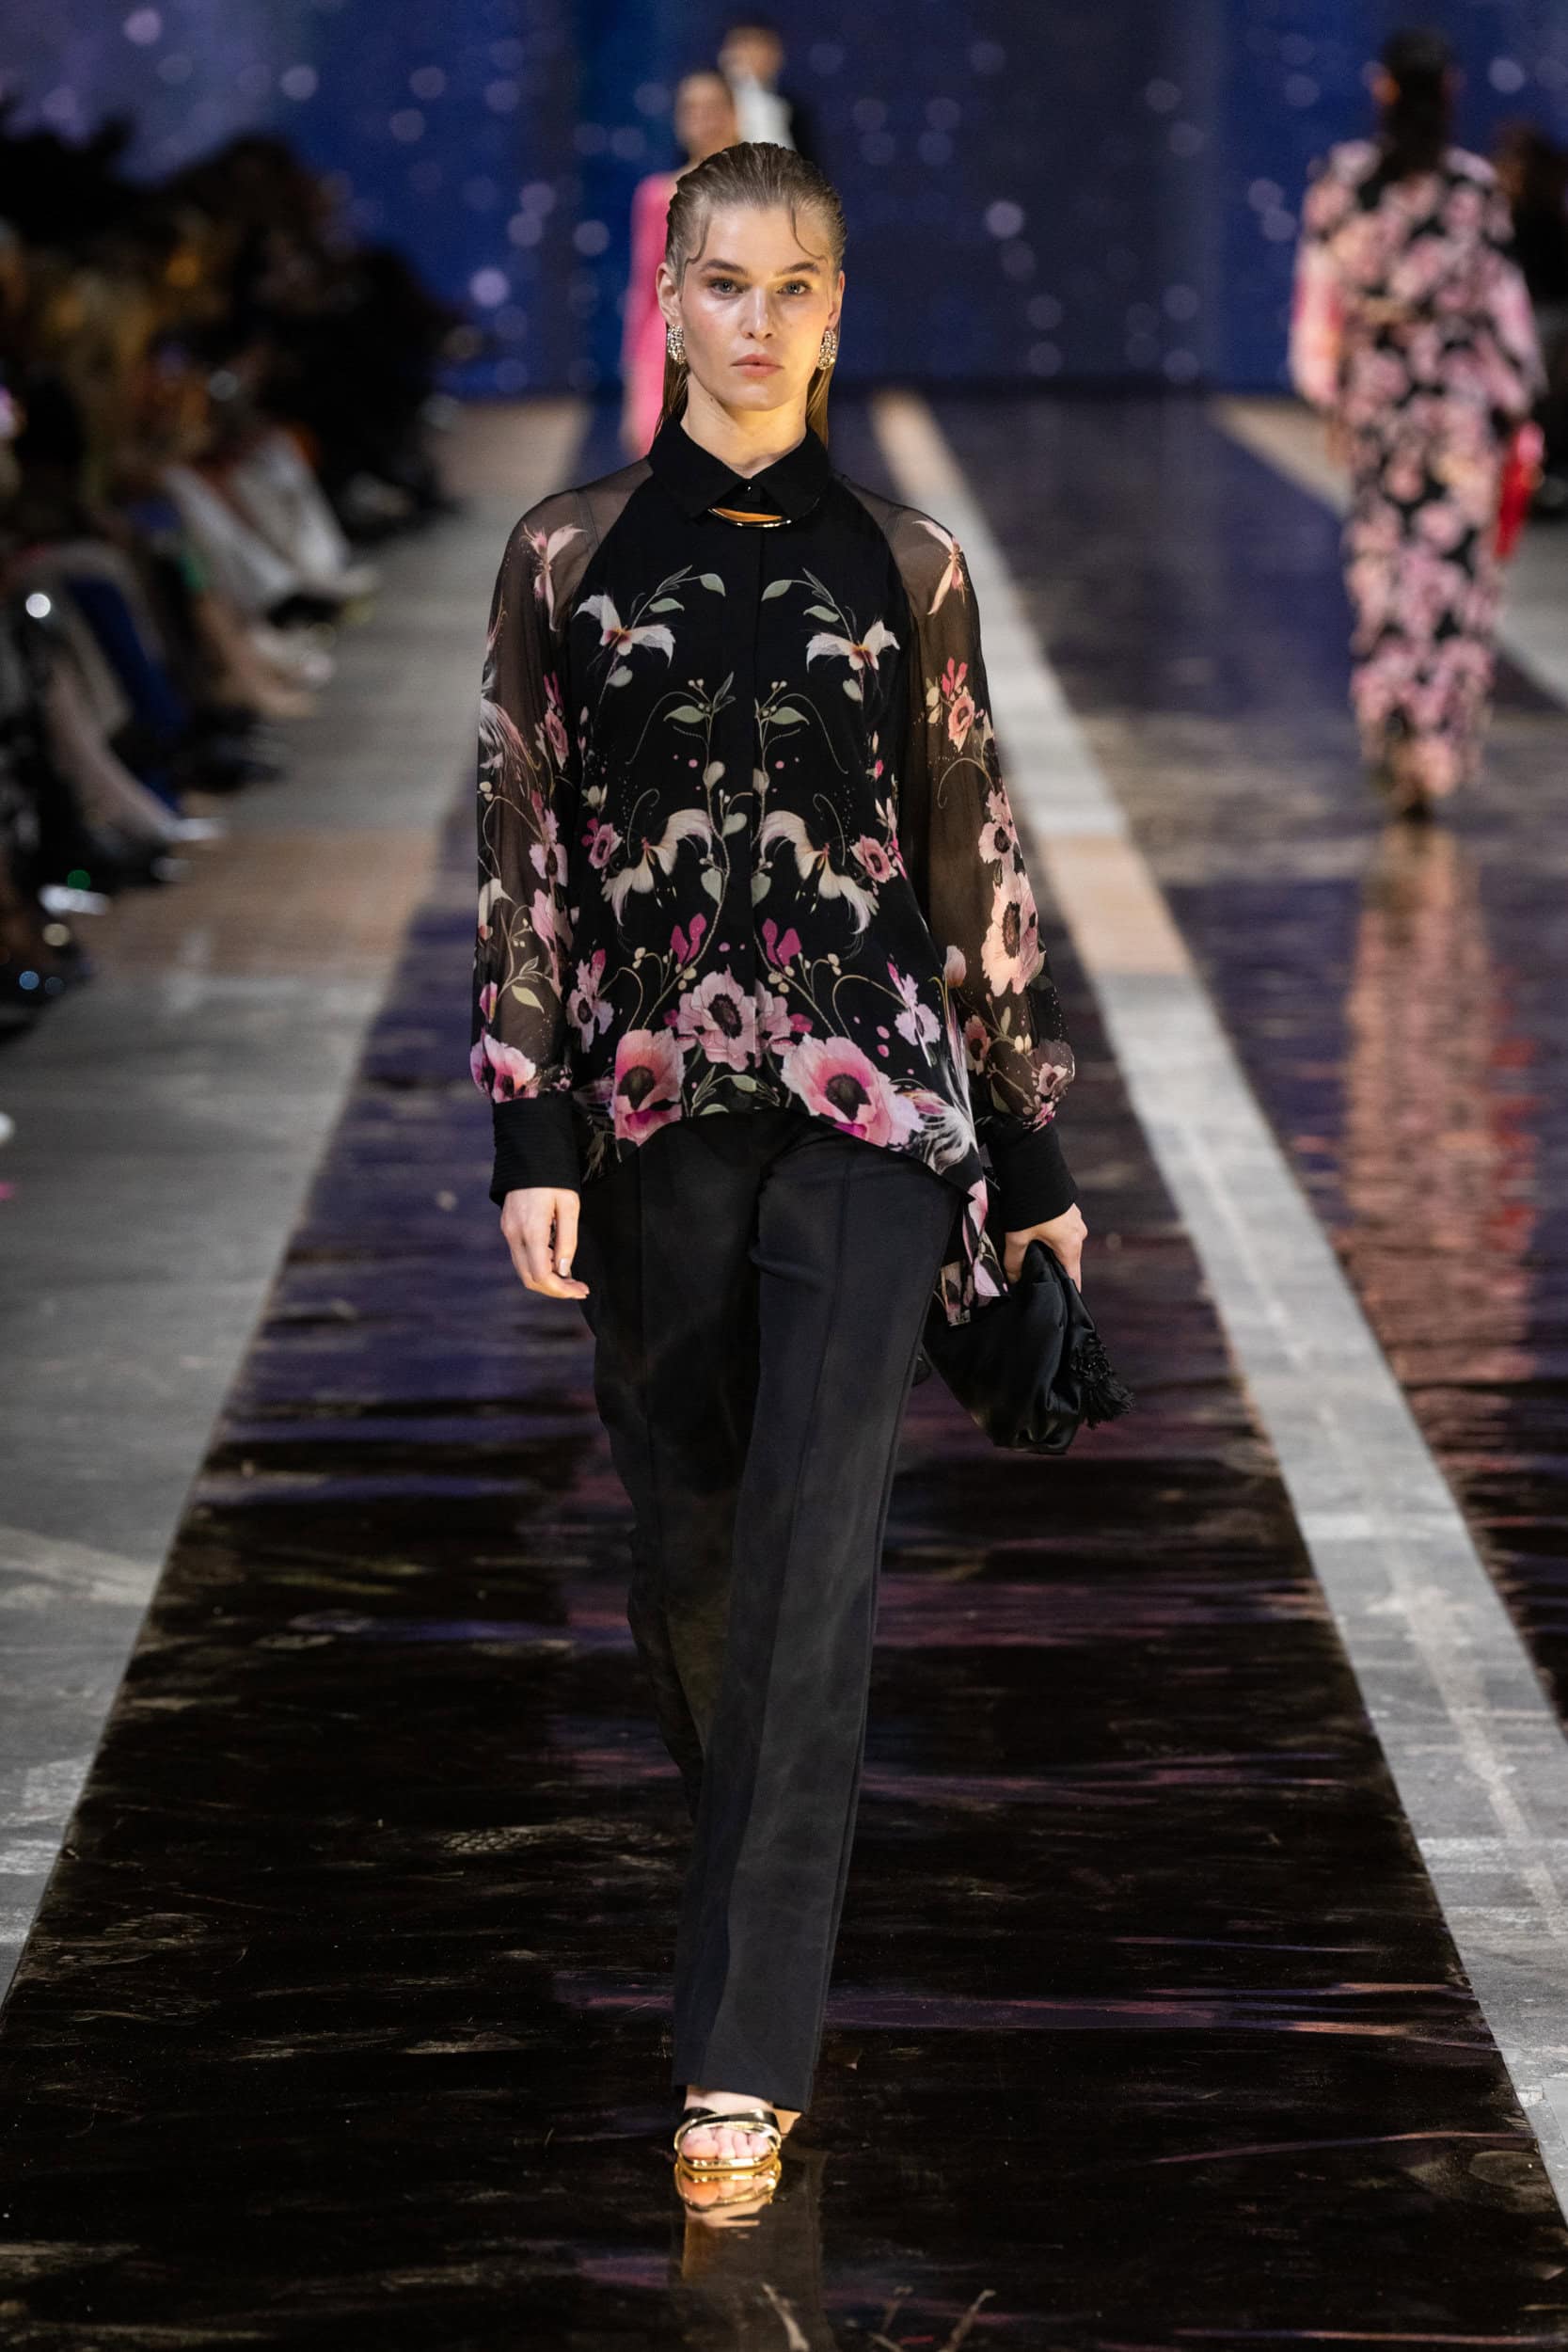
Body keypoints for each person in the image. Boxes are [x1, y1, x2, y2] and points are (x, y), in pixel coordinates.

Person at [469, 141, 1084, 2190]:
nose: (755, 319)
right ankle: (763, 1850)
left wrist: (1025, 1147)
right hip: (644, 1116)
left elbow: (968, 852)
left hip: (866, 1104)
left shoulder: (907, 564)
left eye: (792, 286)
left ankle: (739, 2051)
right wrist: (527, 1123)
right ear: (667, 300)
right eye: (720, 282)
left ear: (834, 310)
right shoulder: (564, 554)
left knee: (817, 1554)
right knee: (697, 1555)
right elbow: (523, 851)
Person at [1290, 26, 1542, 817]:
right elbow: (1502, 309)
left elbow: (1318, 299)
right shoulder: (1472, 187)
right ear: (1451, 91)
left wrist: (1328, 391)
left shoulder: (1342, 180)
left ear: (1383, 88)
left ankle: (1389, 720)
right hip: (1457, 405)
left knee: (1385, 567)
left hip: (1379, 404)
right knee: (1453, 577)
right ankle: (1433, 748)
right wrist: (1519, 405)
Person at [621, 73, 738, 462]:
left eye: (713, 108)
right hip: (668, 355)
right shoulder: (657, 196)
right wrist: (632, 391)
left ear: (734, 114)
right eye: (692, 110)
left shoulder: (766, 198)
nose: (704, 119)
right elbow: (644, 290)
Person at [1495, 119, 1568, 516]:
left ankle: (1542, 475)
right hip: (1526, 323)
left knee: (1539, 404)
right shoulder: (1507, 217)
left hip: (1543, 321)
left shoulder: (1539, 217)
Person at [718, 20, 817, 163]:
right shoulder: (714, 108)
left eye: (757, 47)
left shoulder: (791, 110)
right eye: (741, 45)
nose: (748, 55)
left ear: (777, 55)